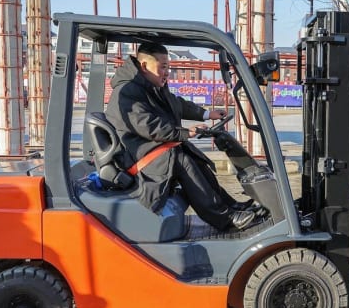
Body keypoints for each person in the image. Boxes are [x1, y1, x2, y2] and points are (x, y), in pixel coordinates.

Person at [105, 43, 256, 231]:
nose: (167, 72)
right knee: (181, 160)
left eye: (168, 67)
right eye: (163, 67)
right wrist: (184, 133)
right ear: (144, 66)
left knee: (192, 155)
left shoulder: (150, 86)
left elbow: (176, 104)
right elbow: (148, 126)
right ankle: (224, 219)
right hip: (137, 156)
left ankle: (231, 205)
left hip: (151, 150)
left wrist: (207, 114)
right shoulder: (127, 91)